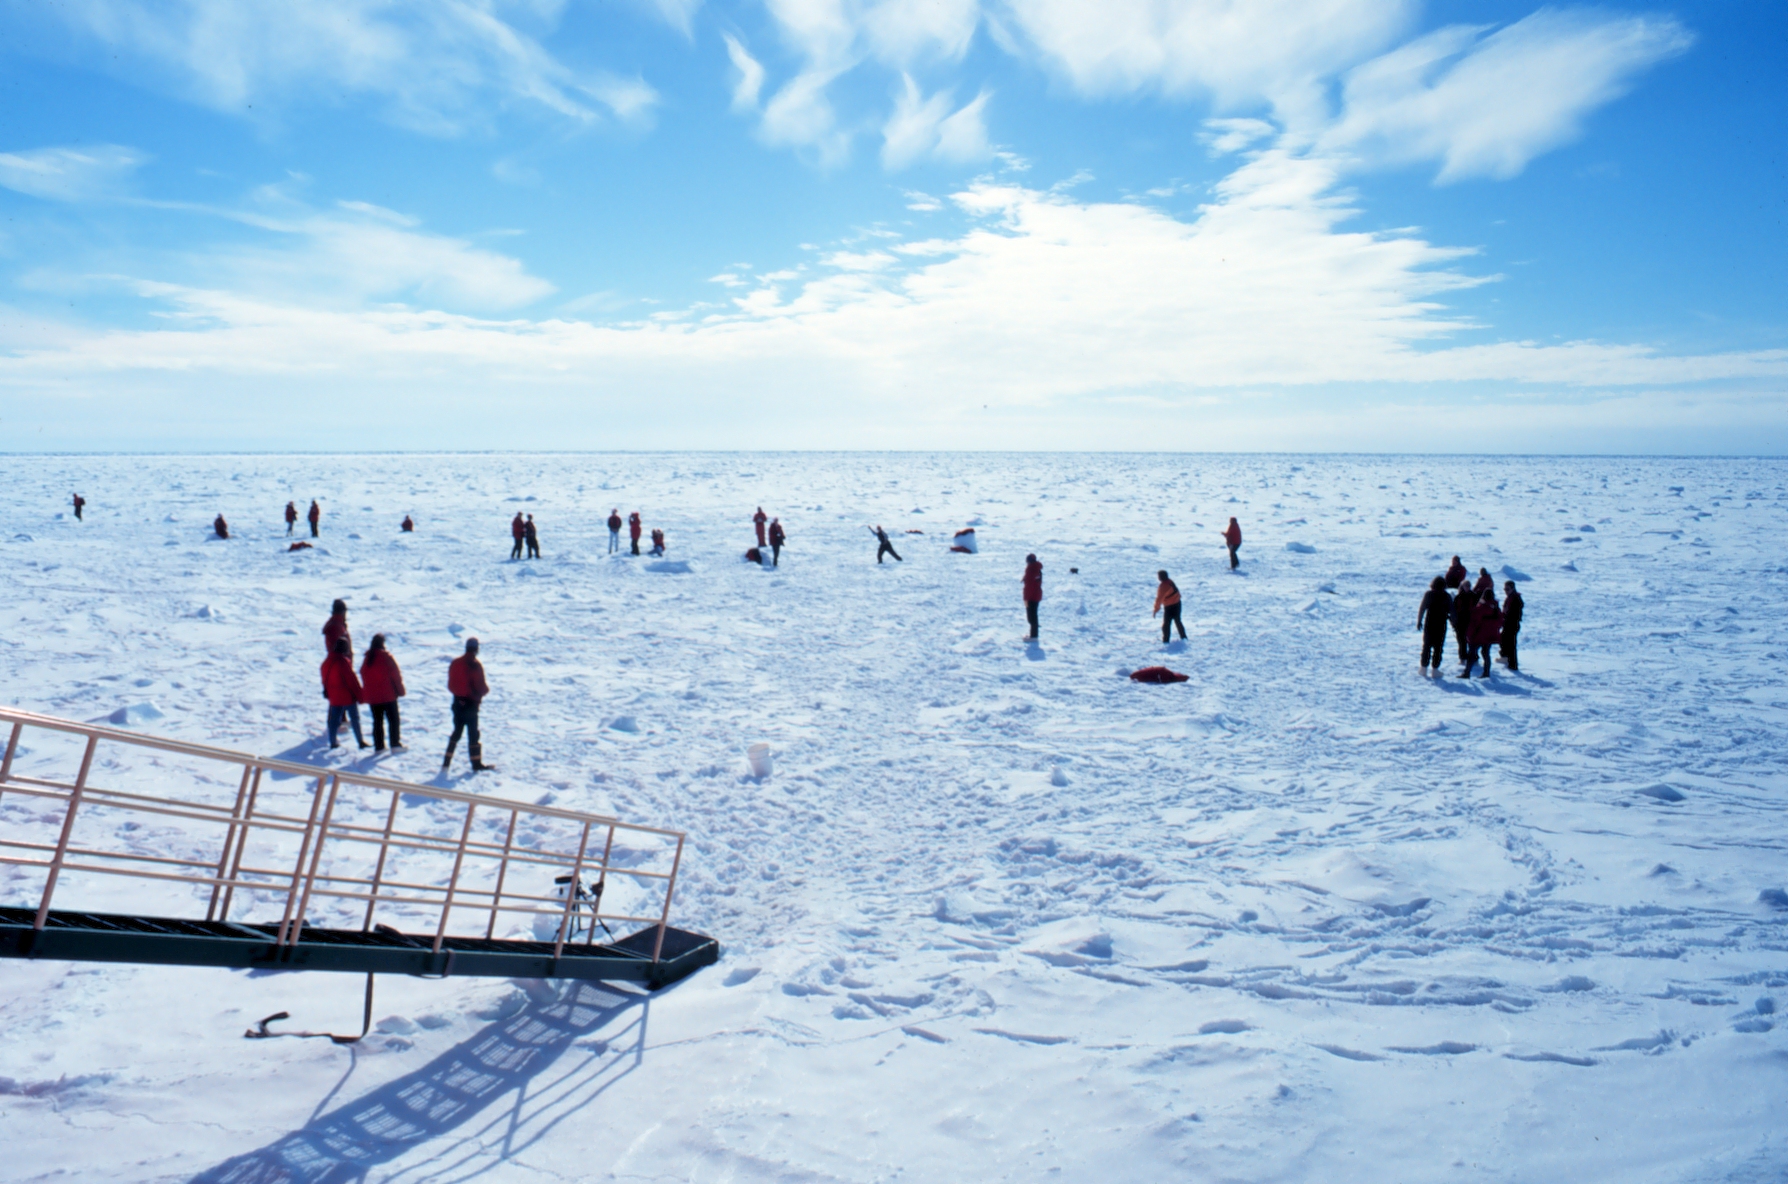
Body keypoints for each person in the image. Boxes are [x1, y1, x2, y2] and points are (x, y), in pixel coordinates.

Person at [444, 638, 492, 773]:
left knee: (457, 732)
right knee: (473, 734)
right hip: (471, 705)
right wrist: (482, 692)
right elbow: (481, 686)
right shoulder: (475, 665)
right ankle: (476, 764)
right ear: (476, 649)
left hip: (457, 703)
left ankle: (446, 762)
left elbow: (451, 685)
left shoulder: (455, 663)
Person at [360, 634, 406, 751]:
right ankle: (395, 744)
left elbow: (363, 675)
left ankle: (379, 746)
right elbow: (396, 675)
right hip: (388, 695)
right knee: (393, 720)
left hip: (374, 697)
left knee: (377, 721)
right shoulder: (386, 657)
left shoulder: (367, 659)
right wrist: (400, 691)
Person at [321, 638, 368, 749]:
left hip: (334, 697)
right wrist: (360, 696)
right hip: (347, 697)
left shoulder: (326, 662)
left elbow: (324, 680)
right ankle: (360, 741)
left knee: (334, 720)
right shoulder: (343, 662)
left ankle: (333, 742)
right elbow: (352, 681)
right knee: (355, 719)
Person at [1464, 588, 1503, 678]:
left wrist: (1469, 635)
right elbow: (1500, 620)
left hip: (1478, 635)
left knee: (1472, 653)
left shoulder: (1480, 608)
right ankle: (1486, 672)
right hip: (1490, 635)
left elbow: (1474, 622)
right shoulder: (1496, 607)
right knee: (1486, 653)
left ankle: (1467, 673)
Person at [1417, 576, 1451, 673]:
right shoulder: (1446, 596)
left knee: (1427, 645)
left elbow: (1422, 608)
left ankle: (1423, 668)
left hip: (1429, 623)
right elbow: (1452, 611)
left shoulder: (1429, 594)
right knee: (1438, 647)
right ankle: (1435, 669)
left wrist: (1419, 621)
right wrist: (1454, 623)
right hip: (1441, 624)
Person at [1153, 570, 1186, 643]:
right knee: (1178, 621)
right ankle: (1183, 637)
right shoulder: (1170, 581)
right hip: (1177, 604)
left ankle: (1166, 641)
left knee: (1166, 625)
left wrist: (1155, 610)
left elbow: (1159, 599)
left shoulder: (1163, 587)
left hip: (1169, 607)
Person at [1451, 581, 1478, 665]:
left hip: (1471, 622)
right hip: (1460, 623)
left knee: (1472, 641)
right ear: (1462, 586)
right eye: (1466, 585)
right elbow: (1454, 611)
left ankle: (1474, 658)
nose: (1468, 587)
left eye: (1469, 585)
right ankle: (1462, 658)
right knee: (1461, 641)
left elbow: (1477, 609)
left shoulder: (1474, 596)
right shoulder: (1458, 597)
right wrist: (1453, 622)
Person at [1500, 581, 1524, 671]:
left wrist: (1507, 612)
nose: (1505, 591)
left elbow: (1515, 613)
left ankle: (1512, 664)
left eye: (1507, 589)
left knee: (1511, 644)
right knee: (1503, 639)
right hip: (1508, 623)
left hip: (1512, 624)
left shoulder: (1516, 599)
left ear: (1512, 588)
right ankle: (1506, 658)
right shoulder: (1510, 597)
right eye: (1504, 589)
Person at [1022, 553, 1043, 639]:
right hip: (1036, 595)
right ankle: (1034, 634)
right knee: (1033, 615)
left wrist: (1026, 598)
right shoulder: (1037, 568)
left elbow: (1030, 585)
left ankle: (1034, 636)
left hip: (1031, 596)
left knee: (1031, 616)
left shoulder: (1031, 569)